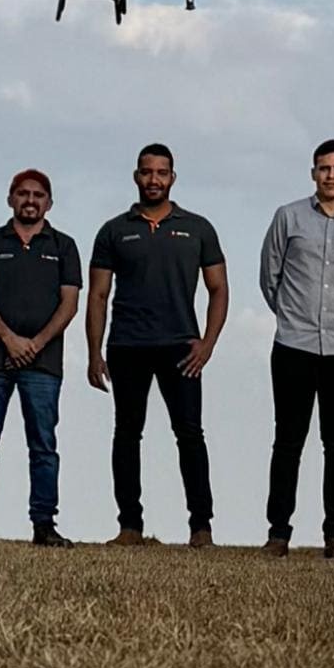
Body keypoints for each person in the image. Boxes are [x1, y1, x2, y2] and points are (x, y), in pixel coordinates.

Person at [87, 143, 229, 545]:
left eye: (161, 173)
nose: (154, 180)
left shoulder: (198, 228)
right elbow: (97, 295)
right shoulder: (114, 230)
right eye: (147, 172)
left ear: (172, 178)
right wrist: (95, 352)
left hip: (181, 348)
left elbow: (218, 289)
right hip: (127, 346)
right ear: (136, 176)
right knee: (127, 434)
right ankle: (129, 525)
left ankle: (201, 527)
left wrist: (208, 342)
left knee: (189, 434)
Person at [255, 138, 334, 556]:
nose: (331, 175)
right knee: (288, 441)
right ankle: (278, 533)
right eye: (323, 168)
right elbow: (269, 277)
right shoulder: (288, 217)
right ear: (313, 173)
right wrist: (293, 315)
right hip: (294, 343)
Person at [0, 168, 83, 544]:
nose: (30, 201)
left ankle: (44, 524)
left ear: (49, 202)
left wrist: (35, 343)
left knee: (43, 444)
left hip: (44, 363)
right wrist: (10, 340)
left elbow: (70, 304)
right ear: (10, 198)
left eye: (38, 195)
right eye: (23, 194)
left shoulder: (63, 245)